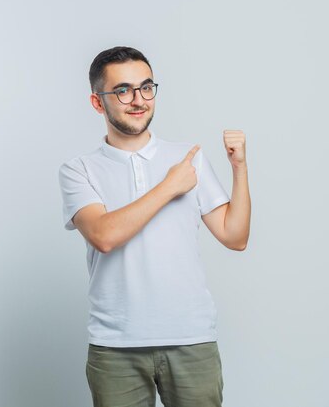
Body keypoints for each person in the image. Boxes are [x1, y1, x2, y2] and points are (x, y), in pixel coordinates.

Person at [58, 46, 251, 407]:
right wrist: (169, 187)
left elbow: (235, 237)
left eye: (146, 87)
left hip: (191, 339)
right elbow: (103, 235)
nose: (138, 100)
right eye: (123, 90)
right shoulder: (79, 170)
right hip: (115, 347)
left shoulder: (187, 159)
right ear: (98, 103)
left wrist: (239, 168)